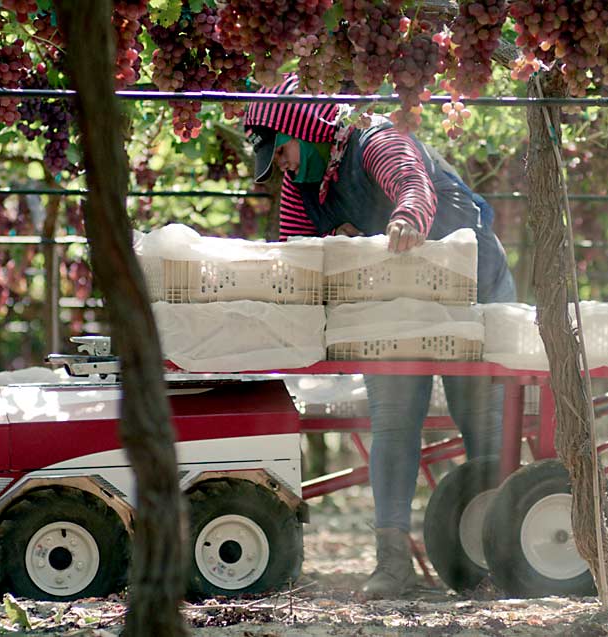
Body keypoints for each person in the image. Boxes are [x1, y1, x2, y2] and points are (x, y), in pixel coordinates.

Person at [244, 75, 516, 598]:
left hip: (472, 290)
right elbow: (296, 260)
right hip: (394, 307)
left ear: (304, 126)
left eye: (280, 152)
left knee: (479, 415)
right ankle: (393, 564)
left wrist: (407, 217)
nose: (281, 166)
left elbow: (411, 182)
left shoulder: (375, 138)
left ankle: (500, 554)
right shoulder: (301, 191)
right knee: (392, 420)